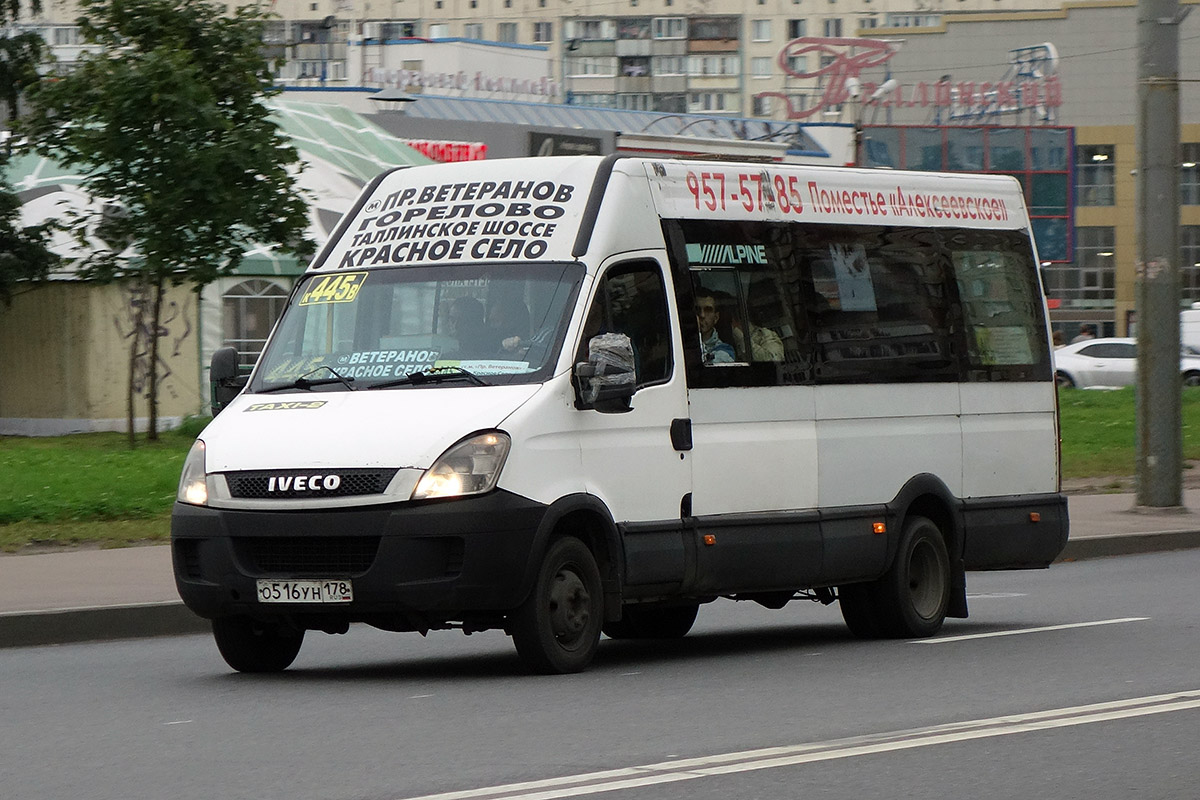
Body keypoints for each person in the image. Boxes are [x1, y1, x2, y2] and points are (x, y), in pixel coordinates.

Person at [695, 290, 735, 364]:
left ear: (716, 317)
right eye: (697, 309)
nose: (702, 315)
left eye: (708, 310)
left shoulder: (725, 350)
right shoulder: (678, 342)